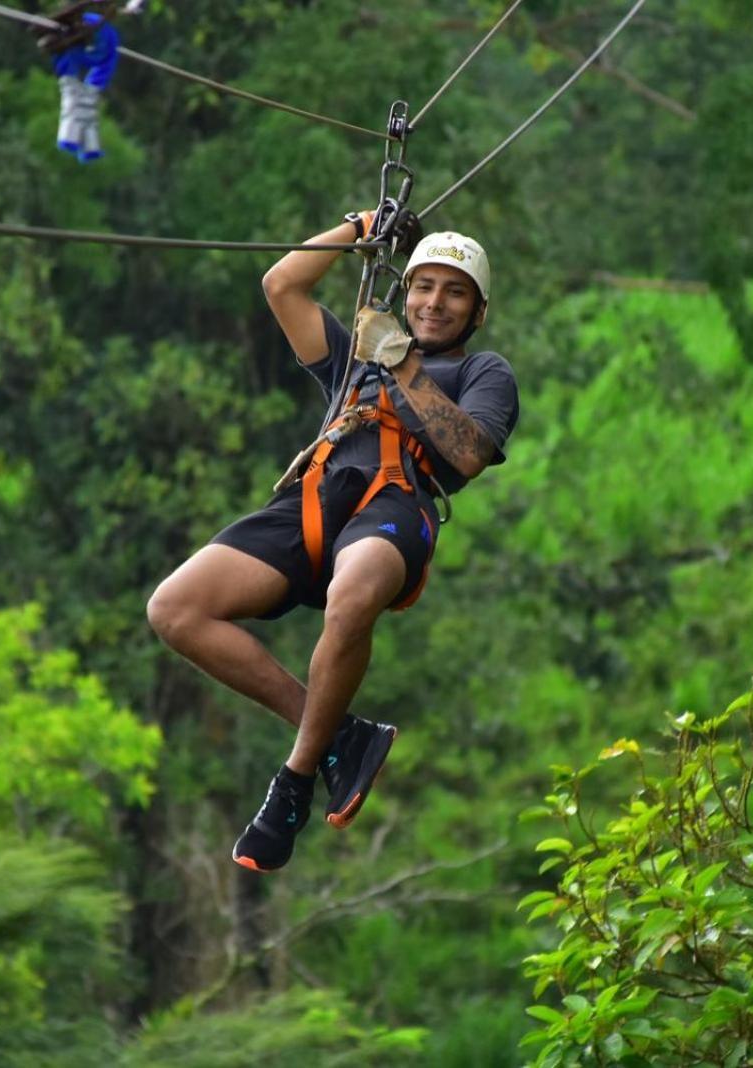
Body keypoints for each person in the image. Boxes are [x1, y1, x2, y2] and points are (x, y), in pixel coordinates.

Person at [147, 211, 519, 872]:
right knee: (175, 609)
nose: (435, 302)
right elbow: (282, 284)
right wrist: (362, 224)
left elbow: (465, 453)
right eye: (423, 287)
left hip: (395, 502)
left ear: (478, 311)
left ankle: (293, 781)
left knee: (351, 598)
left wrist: (401, 361)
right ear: (405, 293)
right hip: (316, 498)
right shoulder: (355, 358)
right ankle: (339, 733)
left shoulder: (483, 372)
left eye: (454, 292)